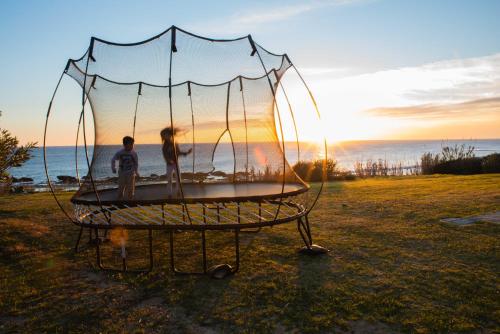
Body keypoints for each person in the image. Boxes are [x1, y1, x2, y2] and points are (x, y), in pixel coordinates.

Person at [160, 127, 192, 196]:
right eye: (165, 135)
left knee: (178, 179)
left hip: (176, 164)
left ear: (170, 135)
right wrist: (169, 160)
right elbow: (165, 155)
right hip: (169, 164)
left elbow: (178, 152)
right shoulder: (164, 146)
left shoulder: (175, 143)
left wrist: (186, 153)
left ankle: (178, 191)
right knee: (169, 179)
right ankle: (169, 193)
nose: (166, 136)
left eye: (167, 135)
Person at [111, 136, 139, 200]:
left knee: (131, 188)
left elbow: (136, 163)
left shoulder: (133, 153)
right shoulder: (119, 153)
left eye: (132, 144)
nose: (132, 146)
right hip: (122, 173)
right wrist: (115, 168)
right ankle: (120, 199)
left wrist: (136, 171)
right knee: (121, 187)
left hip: (131, 173)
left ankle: (130, 199)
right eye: (130, 144)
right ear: (124, 145)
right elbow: (115, 160)